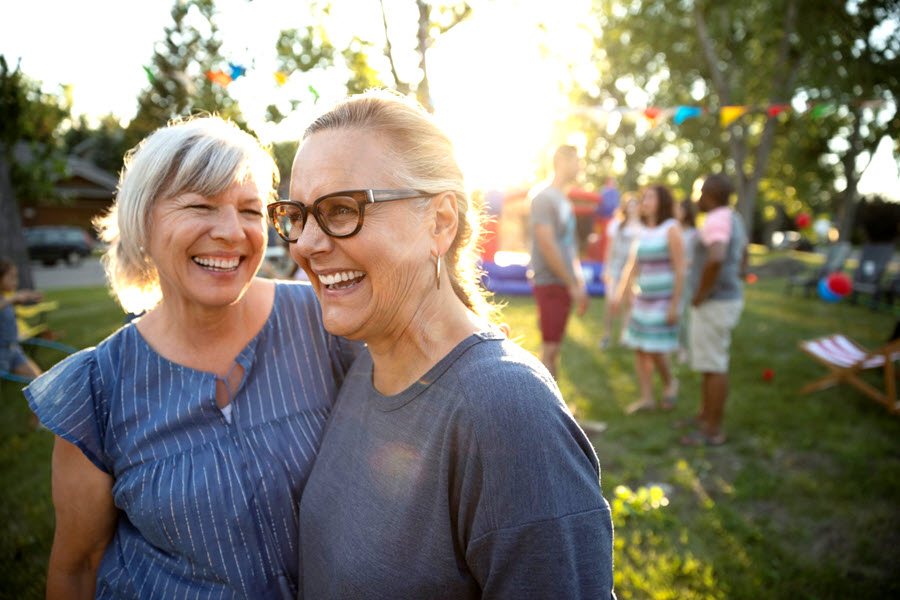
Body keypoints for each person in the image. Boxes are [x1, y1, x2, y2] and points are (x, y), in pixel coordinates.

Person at [270, 89, 615, 598]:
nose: (304, 243)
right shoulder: (362, 364)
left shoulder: (508, 413)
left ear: (440, 222)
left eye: (341, 209)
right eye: (296, 215)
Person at [25, 116, 355, 599]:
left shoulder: (322, 323)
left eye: (249, 210)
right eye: (201, 205)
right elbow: (77, 568)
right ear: (142, 223)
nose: (231, 232)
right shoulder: (96, 389)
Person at [678, 174, 748, 446]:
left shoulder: (717, 218)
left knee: (715, 364)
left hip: (714, 302)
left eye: (697, 193)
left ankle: (712, 430)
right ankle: (704, 416)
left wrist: (701, 293)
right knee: (709, 363)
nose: (695, 199)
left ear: (708, 195)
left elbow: (716, 257)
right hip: (725, 299)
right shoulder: (733, 217)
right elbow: (742, 255)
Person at [613, 185, 685, 415]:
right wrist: (621, 293)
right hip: (643, 300)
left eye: (650, 196)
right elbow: (633, 264)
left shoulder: (671, 228)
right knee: (639, 348)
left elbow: (680, 269)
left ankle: (670, 382)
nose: (645, 200)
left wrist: (675, 304)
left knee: (654, 348)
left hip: (663, 301)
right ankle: (647, 399)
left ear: (662, 201)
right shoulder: (641, 230)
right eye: (644, 197)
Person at [528, 144, 590, 379]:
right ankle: (544, 410)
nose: (580, 166)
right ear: (562, 161)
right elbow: (547, 245)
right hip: (550, 282)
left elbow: (569, 248)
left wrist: (578, 284)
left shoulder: (562, 198)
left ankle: (550, 406)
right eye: (577, 161)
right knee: (550, 350)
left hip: (563, 282)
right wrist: (571, 283)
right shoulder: (542, 196)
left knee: (554, 348)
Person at [1, 258, 44, 427]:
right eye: (11, 277)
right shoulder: (7, 300)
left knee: (38, 381)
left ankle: (37, 423)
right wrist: (15, 299)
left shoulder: (6, 297)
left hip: (13, 350)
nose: (15, 281)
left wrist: (25, 297)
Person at [601, 192, 641, 348]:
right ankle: (607, 334)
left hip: (632, 269)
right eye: (629, 204)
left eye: (635, 204)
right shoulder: (616, 224)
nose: (632, 207)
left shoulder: (641, 226)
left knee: (629, 302)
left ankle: (625, 335)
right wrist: (607, 268)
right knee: (611, 301)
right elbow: (610, 249)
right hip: (616, 266)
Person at [675, 197, 698, 363]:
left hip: (687, 277)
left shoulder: (694, 234)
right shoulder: (673, 230)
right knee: (673, 312)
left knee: (682, 313)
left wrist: (682, 262)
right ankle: (674, 344)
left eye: (680, 209)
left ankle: (684, 347)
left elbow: (696, 259)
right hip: (673, 276)